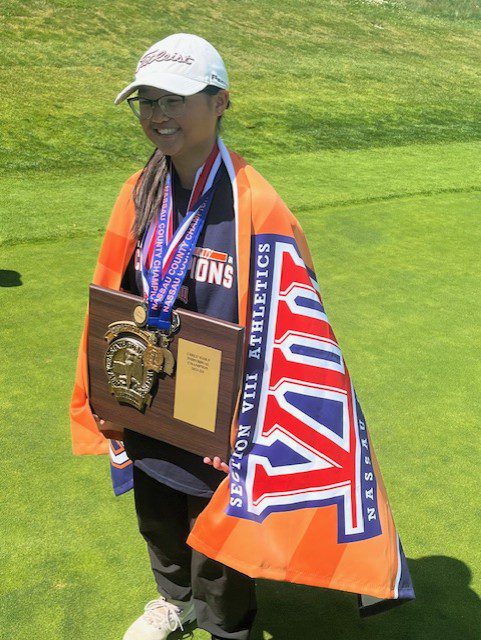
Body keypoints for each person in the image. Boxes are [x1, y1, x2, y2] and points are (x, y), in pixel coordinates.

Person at [93, 33, 257, 640]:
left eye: (176, 99)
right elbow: (115, 289)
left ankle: (226, 628)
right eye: (147, 100)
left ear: (220, 103)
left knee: (219, 536)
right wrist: (112, 396)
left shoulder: (254, 203)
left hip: (219, 406)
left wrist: (241, 417)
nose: (159, 115)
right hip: (147, 390)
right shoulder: (140, 190)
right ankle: (172, 600)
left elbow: (283, 323)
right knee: (158, 508)